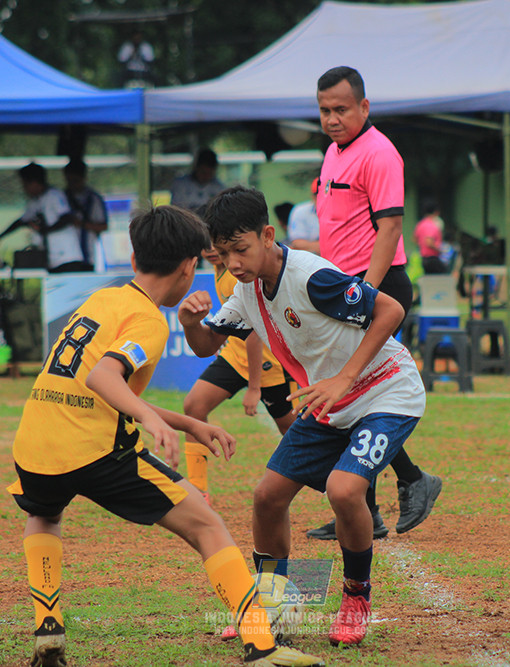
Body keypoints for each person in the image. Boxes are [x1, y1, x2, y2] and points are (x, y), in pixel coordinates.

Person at [6, 203, 323, 667]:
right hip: (94, 450)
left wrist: (185, 421)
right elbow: (103, 380)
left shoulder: (100, 300)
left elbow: (94, 388)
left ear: (134, 260)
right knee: (207, 526)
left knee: (44, 515)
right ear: (188, 267)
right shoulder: (148, 320)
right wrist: (152, 422)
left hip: (34, 443)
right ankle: (261, 645)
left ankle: (49, 631)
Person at [179, 186, 426, 646]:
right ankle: (271, 599)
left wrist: (344, 380)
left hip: (388, 391)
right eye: (224, 253)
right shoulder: (246, 289)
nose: (233, 263)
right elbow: (207, 346)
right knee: (267, 496)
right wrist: (191, 322)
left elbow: (390, 309)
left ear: (267, 235)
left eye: (242, 249)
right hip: (330, 401)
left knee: (344, 488)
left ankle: (356, 597)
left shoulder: (311, 277)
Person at [311, 65, 441, 539]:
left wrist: (366, 292)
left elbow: (389, 229)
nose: (332, 118)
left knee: (352, 392)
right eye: (325, 110)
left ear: (364, 107)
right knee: (347, 395)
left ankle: (409, 484)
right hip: (342, 288)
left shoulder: (380, 154)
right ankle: (373, 504)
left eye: (341, 109)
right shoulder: (332, 153)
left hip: (376, 288)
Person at [182, 244, 298, 504]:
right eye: (203, 246)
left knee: (294, 431)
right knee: (194, 405)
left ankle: (342, 482)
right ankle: (198, 491)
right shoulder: (219, 267)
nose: (209, 250)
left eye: (215, 244)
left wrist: (254, 387)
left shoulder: (239, 274)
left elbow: (254, 333)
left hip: (267, 363)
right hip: (235, 355)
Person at [0, 162, 92, 273]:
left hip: (67, 257)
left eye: (25, 185)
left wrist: (45, 230)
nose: (24, 189)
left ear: (34, 183)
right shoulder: (35, 201)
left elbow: (67, 218)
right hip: (51, 258)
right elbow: (21, 221)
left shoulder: (54, 196)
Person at [63, 158, 108, 268]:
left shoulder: (93, 199)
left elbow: (103, 226)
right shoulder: (61, 198)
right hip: (64, 258)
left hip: (87, 256)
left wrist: (81, 224)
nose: (72, 185)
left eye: (76, 180)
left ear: (83, 178)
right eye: (70, 181)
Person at [170, 149, 226, 214]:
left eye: (209, 173)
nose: (206, 176)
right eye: (203, 172)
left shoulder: (219, 188)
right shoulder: (180, 185)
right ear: (196, 168)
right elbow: (176, 209)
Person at [286, 178, 321, 254]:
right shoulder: (300, 211)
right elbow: (297, 242)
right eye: (317, 195)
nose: (320, 198)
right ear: (312, 196)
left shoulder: (340, 209)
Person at [414, 200, 447, 275]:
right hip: (432, 259)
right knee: (444, 276)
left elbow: (415, 239)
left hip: (424, 258)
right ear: (436, 212)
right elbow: (428, 242)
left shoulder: (420, 224)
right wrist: (440, 250)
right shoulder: (431, 225)